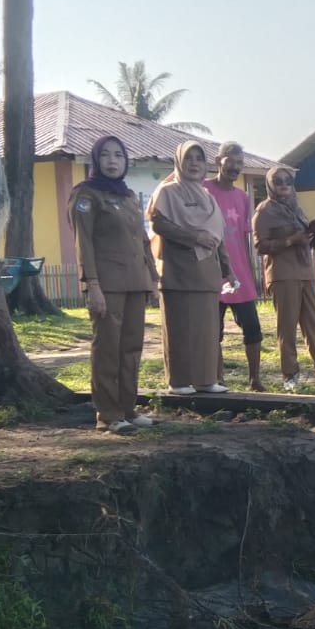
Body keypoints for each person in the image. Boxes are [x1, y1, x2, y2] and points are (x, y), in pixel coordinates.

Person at [71, 135, 160, 433]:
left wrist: (151, 280)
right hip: (106, 284)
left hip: (135, 281)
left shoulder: (128, 197)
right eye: (106, 155)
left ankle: (127, 409)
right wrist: (91, 284)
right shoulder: (87, 195)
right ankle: (107, 414)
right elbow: (83, 243)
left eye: (118, 156)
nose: (112, 161)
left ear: (125, 161)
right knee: (108, 347)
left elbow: (143, 241)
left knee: (131, 348)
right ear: (96, 160)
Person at [253, 169, 315, 391]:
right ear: (270, 185)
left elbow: (308, 244)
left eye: (287, 180)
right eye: (277, 181)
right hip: (282, 275)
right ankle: (290, 377)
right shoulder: (264, 211)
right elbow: (260, 246)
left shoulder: (295, 208)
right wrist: (291, 240)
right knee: (287, 328)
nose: (283, 184)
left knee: (313, 326)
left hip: (305, 272)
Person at [148, 141, 237, 395]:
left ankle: (205, 379)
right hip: (178, 271)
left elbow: (217, 236)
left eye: (199, 158)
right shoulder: (167, 192)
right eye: (189, 158)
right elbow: (159, 224)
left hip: (207, 273)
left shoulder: (208, 197)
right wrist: (193, 237)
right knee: (179, 327)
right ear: (178, 162)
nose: (195, 163)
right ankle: (178, 381)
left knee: (207, 329)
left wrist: (227, 269)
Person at [203, 142, 265, 391]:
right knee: (213, 331)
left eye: (240, 163)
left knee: (253, 329)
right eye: (231, 161)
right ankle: (217, 379)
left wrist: (252, 273)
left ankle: (255, 380)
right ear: (219, 161)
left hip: (239, 275)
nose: (236, 167)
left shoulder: (242, 197)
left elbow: (244, 239)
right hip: (211, 272)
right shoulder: (203, 189)